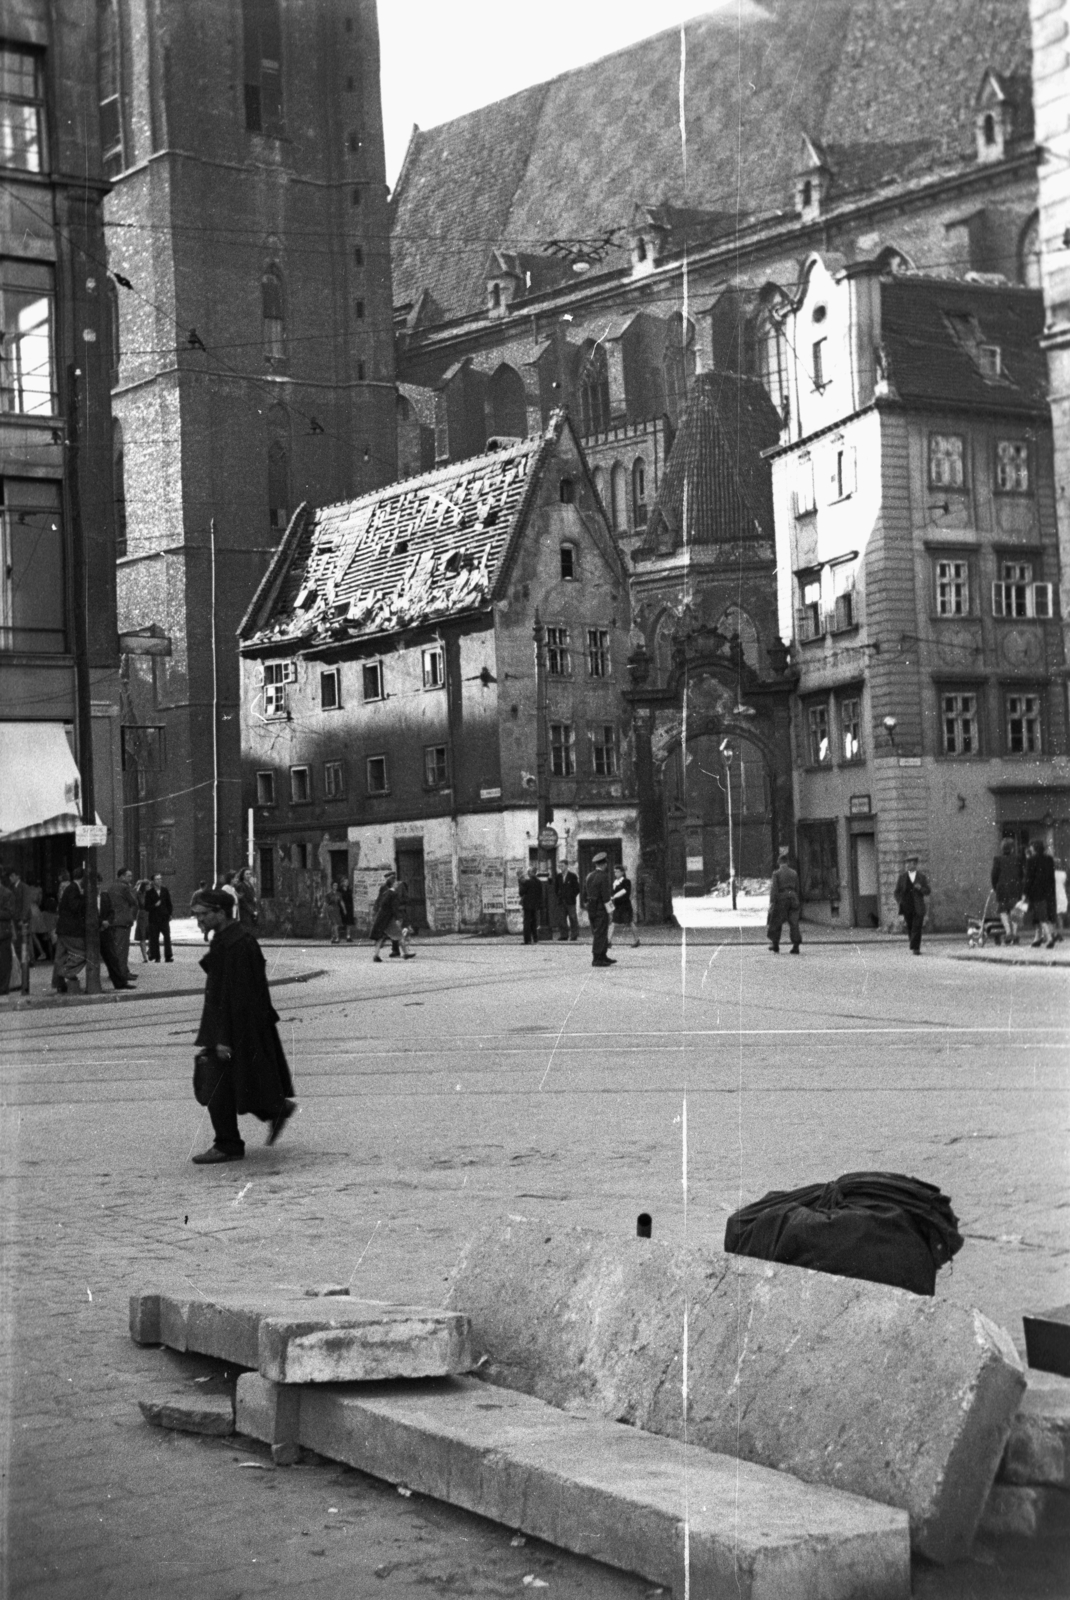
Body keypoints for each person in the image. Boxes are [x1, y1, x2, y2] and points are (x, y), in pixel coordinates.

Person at [189, 888, 297, 1164]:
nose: (198, 920)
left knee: (217, 1085)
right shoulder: (225, 938)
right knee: (239, 1081)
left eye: (202, 914)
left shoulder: (239, 942)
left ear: (220, 913)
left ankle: (228, 1144)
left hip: (236, 1027)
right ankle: (274, 1109)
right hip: (231, 1025)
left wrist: (224, 1038)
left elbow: (238, 995)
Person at [53, 867, 88, 992]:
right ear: (83, 878)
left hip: (63, 928)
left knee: (60, 957)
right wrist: (85, 897)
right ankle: (65, 972)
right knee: (83, 952)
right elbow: (75, 906)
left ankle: (59, 984)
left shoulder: (71, 887)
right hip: (70, 929)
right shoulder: (74, 888)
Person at [98, 887, 136, 990]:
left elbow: (111, 911)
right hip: (94, 929)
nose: (97, 886)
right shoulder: (87, 897)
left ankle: (120, 983)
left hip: (105, 929)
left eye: (98, 884)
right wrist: (100, 922)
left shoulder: (104, 896)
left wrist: (108, 921)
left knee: (112, 956)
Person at [370, 870, 413, 961]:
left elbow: (383, 903)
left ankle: (376, 955)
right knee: (399, 935)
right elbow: (393, 907)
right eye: (395, 882)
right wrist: (398, 918)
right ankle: (405, 954)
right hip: (388, 918)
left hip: (382, 917)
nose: (397, 883)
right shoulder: (392, 893)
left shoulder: (388, 892)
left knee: (381, 937)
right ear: (393, 884)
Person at [767, 845, 802, 955]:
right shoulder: (794, 873)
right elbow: (798, 888)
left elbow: (774, 889)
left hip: (782, 899)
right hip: (793, 898)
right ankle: (796, 946)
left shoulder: (776, 873)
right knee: (794, 923)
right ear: (787, 862)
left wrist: (772, 902)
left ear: (779, 862)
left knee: (776, 921)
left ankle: (775, 945)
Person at [894, 852, 931, 954]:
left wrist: (920, 888)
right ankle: (913, 943)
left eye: (910, 864)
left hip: (918, 906)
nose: (907, 866)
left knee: (917, 926)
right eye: (906, 864)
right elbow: (896, 892)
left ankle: (916, 948)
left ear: (915, 864)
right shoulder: (902, 877)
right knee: (910, 926)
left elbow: (928, 891)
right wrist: (899, 901)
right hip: (907, 906)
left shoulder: (921, 877)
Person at [1023, 840, 1057, 949]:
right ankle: (1037, 938)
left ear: (1034, 848)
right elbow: (1052, 877)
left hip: (1035, 892)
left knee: (1041, 916)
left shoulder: (1031, 860)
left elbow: (1028, 878)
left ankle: (1049, 938)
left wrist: (1024, 892)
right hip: (1048, 892)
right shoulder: (1049, 859)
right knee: (1039, 916)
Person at [108, 867, 140, 982]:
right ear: (121, 876)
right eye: (128, 876)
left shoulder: (112, 886)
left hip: (114, 920)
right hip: (123, 920)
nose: (130, 878)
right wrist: (134, 891)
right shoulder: (125, 887)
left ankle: (122, 971)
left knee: (117, 948)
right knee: (122, 949)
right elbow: (133, 901)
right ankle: (122, 973)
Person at [585, 851, 615, 967]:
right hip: (601, 908)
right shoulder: (603, 876)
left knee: (599, 932)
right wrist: (611, 911)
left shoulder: (589, 876)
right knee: (601, 933)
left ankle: (603, 956)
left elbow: (585, 892)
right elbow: (606, 897)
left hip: (591, 907)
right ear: (604, 864)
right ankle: (597, 958)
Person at [990, 838, 1022, 946]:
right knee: (1015, 911)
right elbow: (1021, 874)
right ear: (1012, 848)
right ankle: (1015, 934)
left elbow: (994, 875)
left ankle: (1008, 933)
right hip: (1015, 887)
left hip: (1002, 888)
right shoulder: (1017, 859)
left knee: (1003, 911)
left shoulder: (997, 859)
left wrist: (995, 887)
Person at [146, 873, 173, 962]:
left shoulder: (165, 890)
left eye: (160, 879)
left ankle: (168, 956)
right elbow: (146, 907)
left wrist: (170, 914)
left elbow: (169, 903)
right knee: (154, 938)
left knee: (167, 937)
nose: (159, 880)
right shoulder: (149, 893)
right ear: (153, 881)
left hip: (164, 918)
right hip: (154, 919)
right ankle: (157, 957)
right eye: (157, 879)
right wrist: (155, 905)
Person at [610, 865, 639, 948]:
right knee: (613, 923)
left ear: (622, 872)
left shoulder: (626, 881)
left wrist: (614, 896)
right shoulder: (615, 882)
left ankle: (637, 940)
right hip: (618, 906)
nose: (615, 873)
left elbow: (624, 891)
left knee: (630, 922)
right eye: (615, 872)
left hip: (625, 905)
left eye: (617, 872)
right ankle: (608, 941)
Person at [554, 863, 580, 942]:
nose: (561, 868)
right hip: (561, 901)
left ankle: (574, 935)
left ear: (566, 866)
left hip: (570, 901)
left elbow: (577, 888)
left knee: (572, 918)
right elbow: (556, 888)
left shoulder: (572, 876)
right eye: (559, 866)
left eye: (562, 866)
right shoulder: (558, 876)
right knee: (561, 918)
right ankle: (563, 935)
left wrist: (572, 896)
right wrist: (559, 895)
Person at [0, 871, 16, 994]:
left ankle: (3, 987)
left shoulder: (6, 893)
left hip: (3, 933)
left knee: (5, 961)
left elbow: (10, 913)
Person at [519, 866, 541, 946]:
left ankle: (527, 940)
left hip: (527, 905)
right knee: (534, 922)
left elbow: (521, 893)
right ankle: (535, 939)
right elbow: (540, 894)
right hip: (535, 905)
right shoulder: (539, 882)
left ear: (530, 873)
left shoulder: (527, 882)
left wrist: (520, 883)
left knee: (527, 922)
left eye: (528, 872)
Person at [134, 879, 150, 962]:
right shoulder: (139, 894)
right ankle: (145, 958)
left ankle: (149, 951)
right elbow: (143, 903)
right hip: (142, 915)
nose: (149, 887)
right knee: (142, 936)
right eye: (147, 886)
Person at [325, 879, 345, 943]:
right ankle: (337, 937)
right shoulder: (328, 894)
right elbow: (326, 903)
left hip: (337, 910)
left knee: (335, 925)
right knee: (335, 924)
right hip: (331, 910)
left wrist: (344, 909)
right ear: (332, 886)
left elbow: (341, 902)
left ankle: (333, 937)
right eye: (334, 885)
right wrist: (325, 911)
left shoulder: (339, 894)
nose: (335, 887)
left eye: (336, 885)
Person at [336, 875, 354, 942]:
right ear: (342, 882)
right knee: (340, 922)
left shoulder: (349, 890)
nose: (347, 883)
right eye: (345, 881)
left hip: (349, 907)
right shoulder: (340, 890)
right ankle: (337, 937)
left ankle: (348, 936)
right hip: (341, 908)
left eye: (347, 882)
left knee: (348, 923)